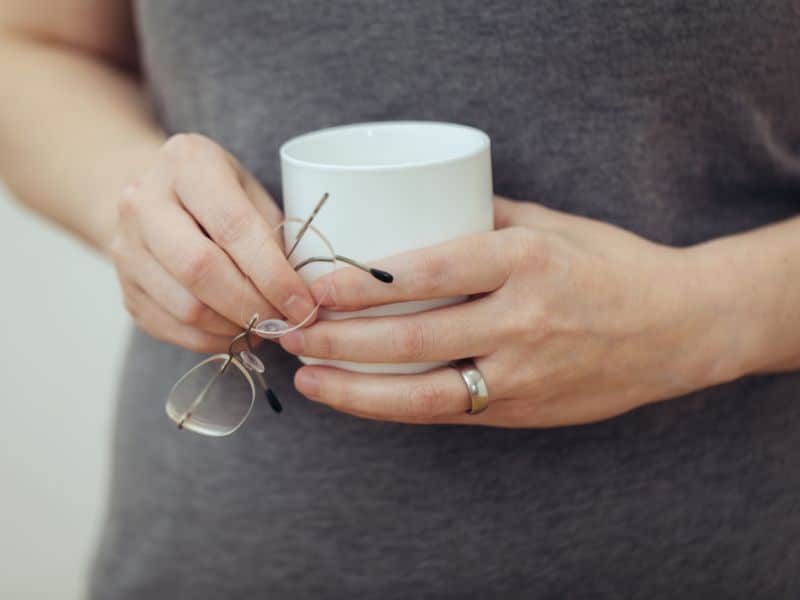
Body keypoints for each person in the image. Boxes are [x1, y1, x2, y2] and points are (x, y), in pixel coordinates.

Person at [2, 1, 799, 597]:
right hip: (221, 558)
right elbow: (27, 45)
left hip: (709, 553)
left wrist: (705, 316)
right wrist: (132, 207)